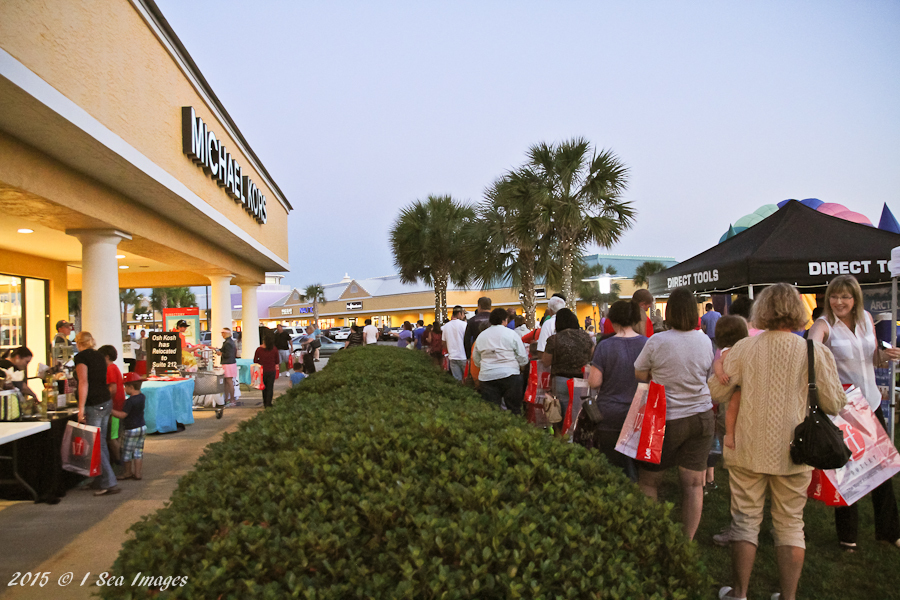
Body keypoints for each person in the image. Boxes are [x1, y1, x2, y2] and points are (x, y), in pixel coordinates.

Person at [710, 283, 845, 600]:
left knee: (744, 521)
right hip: (796, 451)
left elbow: (716, 391)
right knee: (790, 525)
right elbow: (835, 403)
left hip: (746, 447)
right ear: (798, 312)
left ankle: (740, 593)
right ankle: (788, 597)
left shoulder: (743, 348)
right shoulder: (813, 351)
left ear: (762, 310)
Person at [808, 274, 900, 552]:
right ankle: (847, 536)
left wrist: (888, 356)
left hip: (870, 403)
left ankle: (890, 531)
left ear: (855, 298)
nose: (839, 302)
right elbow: (810, 348)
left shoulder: (866, 320)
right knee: (847, 471)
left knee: (881, 469)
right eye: (834, 296)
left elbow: (871, 359)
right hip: (843, 407)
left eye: (845, 297)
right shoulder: (824, 325)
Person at [633, 287, 715, 540]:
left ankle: (654, 535)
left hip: (664, 418)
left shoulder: (657, 341)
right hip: (701, 416)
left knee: (649, 480)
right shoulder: (704, 340)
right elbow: (708, 375)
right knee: (693, 484)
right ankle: (687, 541)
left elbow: (639, 373)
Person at [585, 299, 648, 481]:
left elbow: (594, 382)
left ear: (612, 320)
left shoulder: (605, 346)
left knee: (612, 465)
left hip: (609, 413)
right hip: (639, 412)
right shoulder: (647, 343)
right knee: (637, 464)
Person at [73, 332, 119, 496]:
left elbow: (83, 382)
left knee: (95, 444)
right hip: (105, 401)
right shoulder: (99, 356)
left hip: (93, 403)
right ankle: (100, 479)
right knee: (102, 442)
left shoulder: (81, 358)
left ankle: (108, 481)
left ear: (79, 343)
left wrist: (81, 408)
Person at [541, 308, 593, 435]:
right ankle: (576, 437)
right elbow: (591, 356)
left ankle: (562, 439)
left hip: (561, 380)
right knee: (578, 411)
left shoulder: (554, 339)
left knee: (560, 412)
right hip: (581, 380)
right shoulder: (586, 337)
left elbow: (546, 361)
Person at [472, 308, 529, 415]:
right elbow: (523, 357)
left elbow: (476, 359)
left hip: (488, 377)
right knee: (514, 410)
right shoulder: (511, 334)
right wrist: (520, 366)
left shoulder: (481, 336)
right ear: (505, 320)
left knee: (492, 412)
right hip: (511, 375)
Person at [112, 373, 146, 481]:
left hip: (131, 429)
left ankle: (127, 472)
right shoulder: (142, 397)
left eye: (125, 386)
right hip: (142, 427)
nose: (124, 389)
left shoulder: (130, 401)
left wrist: (111, 411)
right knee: (138, 451)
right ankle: (138, 473)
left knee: (127, 452)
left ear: (131, 387)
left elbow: (123, 415)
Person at [98, 345, 126, 465]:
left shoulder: (109, 369)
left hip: (114, 406)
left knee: (112, 437)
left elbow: (112, 388)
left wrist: (105, 400)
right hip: (118, 404)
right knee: (116, 435)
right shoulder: (114, 367)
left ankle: (119, 461)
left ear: (106, 357)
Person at [442, 306, 468, 381]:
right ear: (459, 314)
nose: (464, 316)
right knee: (466, 380)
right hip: (463, 356)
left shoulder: (446, 326)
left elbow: (443, 342)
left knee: (457, 381)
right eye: (463, 314)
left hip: (452, 357)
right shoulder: (464, 325)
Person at [253, 333, 279, 408]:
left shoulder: (259, 349)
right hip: (271, 370)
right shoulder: (274, 349)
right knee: (270, 387)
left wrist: (260, 362)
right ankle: (269, 403)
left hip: (262, 371)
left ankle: (265, 402)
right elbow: (277, 361)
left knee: (264, 387)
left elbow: (255, 360)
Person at [218, 328, 237, 405]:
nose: (222, 335)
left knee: (228, 381)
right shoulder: (229, 342)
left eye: (222, 333)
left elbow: (228, 354)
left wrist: (220, 353)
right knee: (227, 382)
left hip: (228, 364)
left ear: (225, 334)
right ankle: (227, 399)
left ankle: (231, 399)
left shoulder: (227, 343)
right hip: (230, 363)